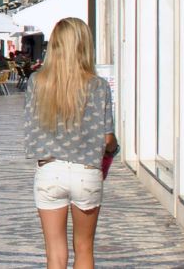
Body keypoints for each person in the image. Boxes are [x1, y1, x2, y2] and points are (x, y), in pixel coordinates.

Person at [24, 18, 116, 269]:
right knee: (84, 248)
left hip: (50, 171)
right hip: (86, 172)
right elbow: (108, 139)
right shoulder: (98, 86)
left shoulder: (37, 82)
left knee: (55, 252)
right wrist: (111, 148)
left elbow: (32, 130)